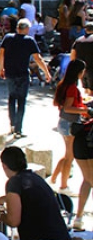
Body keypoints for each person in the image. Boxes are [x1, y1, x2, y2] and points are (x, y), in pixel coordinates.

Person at [0, 147, 73, 240]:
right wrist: (6, 199)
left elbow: (13, 221)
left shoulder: (14, 182)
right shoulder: (35, 178)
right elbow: (30, 197)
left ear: (4, 166)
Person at [51, 59, 92, 227]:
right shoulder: (72, 88)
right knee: (69, 156)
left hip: (65, 123)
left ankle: (55, 179)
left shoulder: (65, 84)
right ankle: (63, 184)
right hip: (70, 124)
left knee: (68, 155)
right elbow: (68, 107)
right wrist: (85, 109)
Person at [0, 18, 51, 137]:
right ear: (27, 29)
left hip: (10, 72)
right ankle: (18, 128)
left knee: (12, 98)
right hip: (23, 73)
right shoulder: (29, 41)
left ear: (17, 28)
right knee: (21, 100)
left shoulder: (8, 38)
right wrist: (46, 73)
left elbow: (1, 54)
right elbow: (38, 59)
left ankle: (12, 125)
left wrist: (1, 68)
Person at [71, 21, 93, 96]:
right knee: (91, 91)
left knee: (86, 89)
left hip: (81, 69)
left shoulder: (78, 40)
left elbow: (73, 55)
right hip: (91, 68)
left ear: (85, 30)